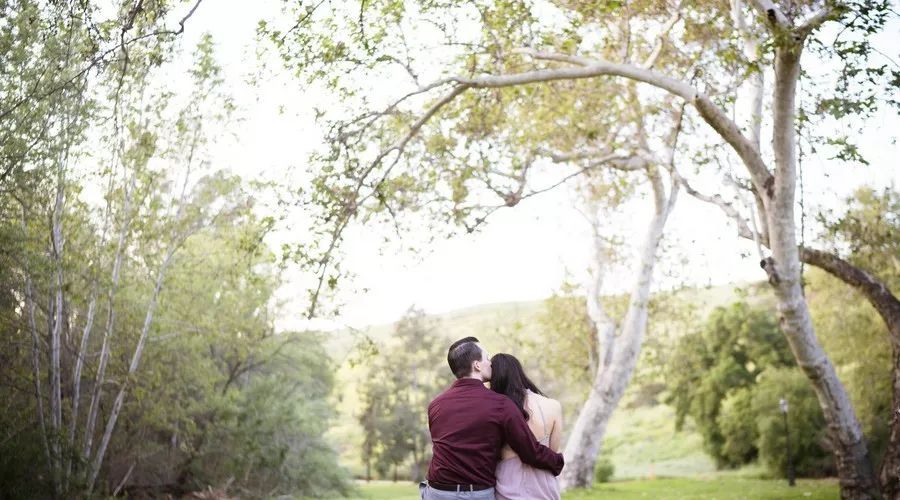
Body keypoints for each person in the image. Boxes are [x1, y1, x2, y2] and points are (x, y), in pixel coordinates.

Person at [421, 337, 564, 500]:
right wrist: (558, 461)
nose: (490, 363)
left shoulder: (436, 404)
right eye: (487, 358)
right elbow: (529, 451)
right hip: (475, 493)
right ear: (477, 365)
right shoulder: (500, 403)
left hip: (435, 491)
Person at [490, 353, 563, 500]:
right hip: (545, 487)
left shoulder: (494, 409)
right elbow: (553, 451)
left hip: (507, 487)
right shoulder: (552, 406)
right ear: (519, 373)